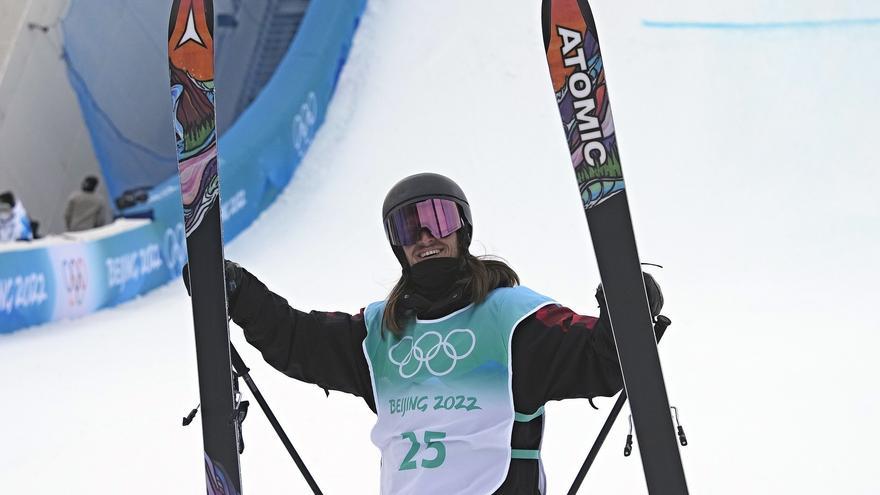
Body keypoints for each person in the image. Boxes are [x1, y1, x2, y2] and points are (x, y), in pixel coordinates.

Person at [184, 173, 664, 494]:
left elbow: (601, 361)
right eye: (409, 228)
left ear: (462, 230)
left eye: (439, 220)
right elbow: (296, 339)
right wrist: (239, 292)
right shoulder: (380, 335)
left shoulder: (513, 320)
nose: (426, 237)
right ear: (397, 245)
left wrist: (626, 306)